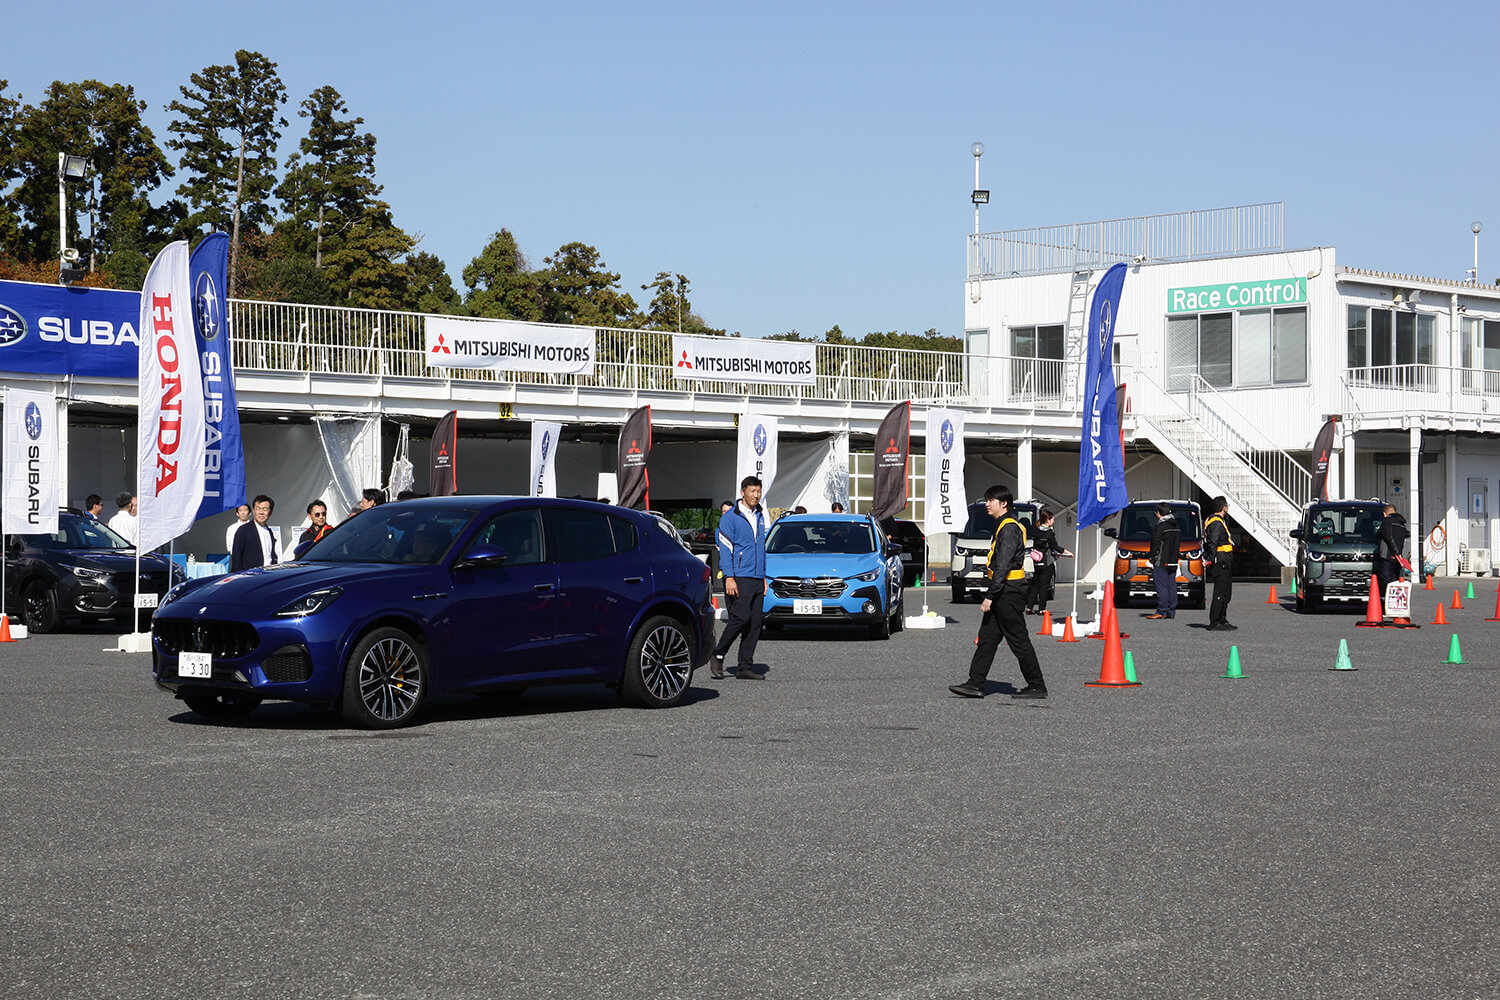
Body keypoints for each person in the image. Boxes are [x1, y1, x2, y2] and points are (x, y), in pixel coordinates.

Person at [949, 485, 1047, 700]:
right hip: (1004, 590)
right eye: (987, 500)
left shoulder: (1009, 528)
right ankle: (975, 683)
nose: (987, 504)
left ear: (1003, 504)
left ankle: (1036, 685)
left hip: (1008, 592)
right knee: (987, 638)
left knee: (1018, 639)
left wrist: (991, 595)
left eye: (991, 500)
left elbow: (1003, 564)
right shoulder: (1003, 525)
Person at [712, 476, 768, 680]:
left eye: (759, 491)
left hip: (756, 577)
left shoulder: (760, 515)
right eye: (752, 491)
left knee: (755, 623)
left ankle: (745, 666)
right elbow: (726, 550)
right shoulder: (730, 518)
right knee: (740, 617)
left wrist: (763, 576)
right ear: (743, 491)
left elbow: (761, 549)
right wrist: (729, 577)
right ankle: (718, 653)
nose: (756, 495)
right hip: (739, 575)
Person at [1024, 506, 1072, 615]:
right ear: (1048, 520)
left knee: (1035, 584)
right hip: (1046, 562)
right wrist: (1067, 552)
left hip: (1036, 561)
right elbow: (1054, 546)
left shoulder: (1036, 531)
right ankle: (1042, 609)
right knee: (1044, 586)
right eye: (1053, 519)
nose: (1054, 521)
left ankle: (1029, 608)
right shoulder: (1049, 533)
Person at [1144, 502, 1181, 620]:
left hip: (1161, 560)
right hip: (1173, 560)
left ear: (1158, 513)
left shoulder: (1160, 527)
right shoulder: (1176, 526)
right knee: (1171, 586)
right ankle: (1171, 611)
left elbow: (1156, 544)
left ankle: (1161, 610)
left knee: (1162, 586)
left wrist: (1152, 559)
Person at [1204, 497, 1237, 631]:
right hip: (1221, 560)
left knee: (1226, 593)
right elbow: (1213, 542)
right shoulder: (1216, 523)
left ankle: (1222, 619)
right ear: (1224, 508)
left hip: (1225, 560)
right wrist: (1210, 559)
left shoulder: (1214, 520)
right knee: (1220, 592)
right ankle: (1215, 621)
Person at [1374, 502, 1410, 615]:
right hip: (1398, 559)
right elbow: (1405, 535)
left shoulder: (1386, 522)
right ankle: (1396, 606)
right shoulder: (1401, 524)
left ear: (1385, 514)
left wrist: (1395, 551)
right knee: (1395, 581)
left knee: (1386, 582)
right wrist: (1399, 554)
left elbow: (1388, 537)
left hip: (1388, 556)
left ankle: (1387, 607)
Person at [230, 495, 279, 572]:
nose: (261, 512)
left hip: (269, 574)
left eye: (265, 509)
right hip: (251, 577)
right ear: (253, 511)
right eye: (258, 509)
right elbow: (237, 557)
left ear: (271, 512)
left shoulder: (269, 532)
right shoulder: (244, 530)